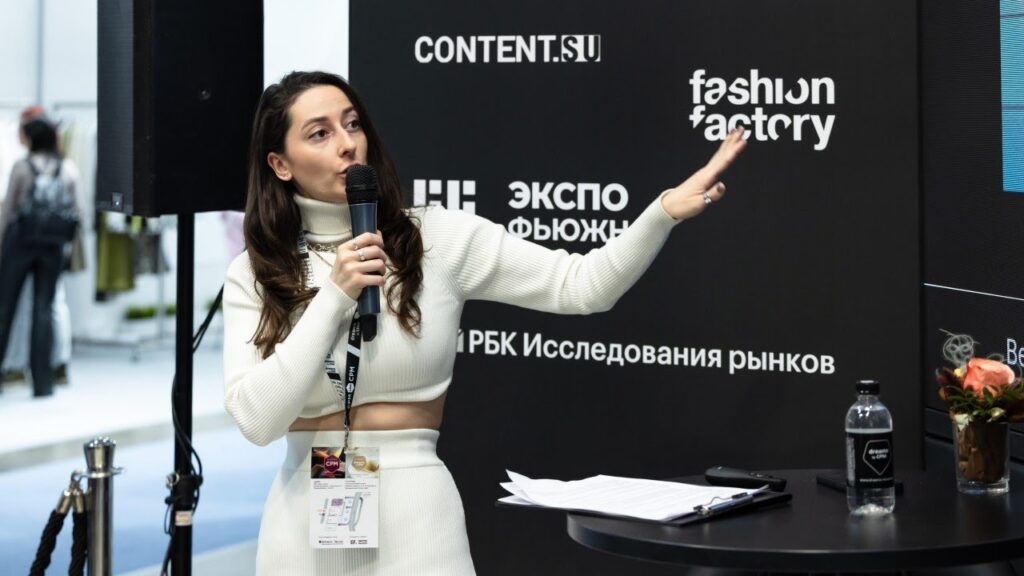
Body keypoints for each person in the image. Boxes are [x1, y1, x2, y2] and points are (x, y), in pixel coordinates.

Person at [223, 70, 747, 575]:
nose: (347, 144)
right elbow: (256, 420)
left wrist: (661, 213)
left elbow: (582, 285)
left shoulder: (437, 238)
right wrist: (335, 296)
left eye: (352, 123)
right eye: (319, 133)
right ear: (280, 164)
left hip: (418, 518)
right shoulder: (255, 272)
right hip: (302, 519)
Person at [0, 113, 80, 397]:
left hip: (20, 244)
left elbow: (8, 210)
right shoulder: (67, 168)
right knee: (44, 310)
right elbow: (77, 212)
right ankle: (43, 383)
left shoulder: (22, 167)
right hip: (52, 246)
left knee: (5, 308)